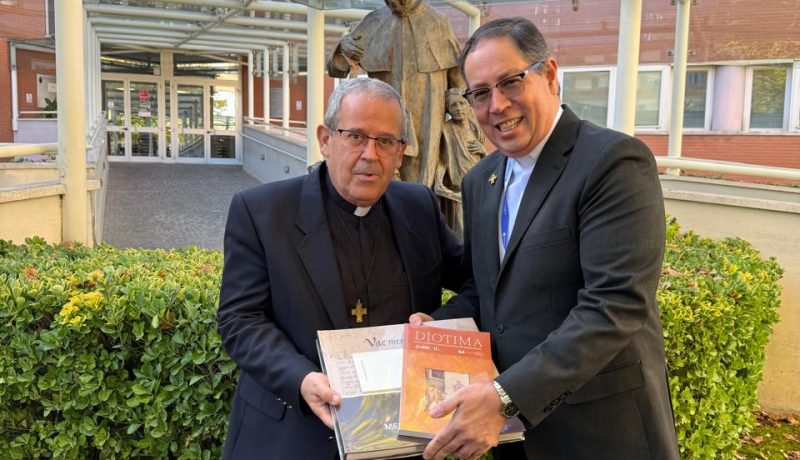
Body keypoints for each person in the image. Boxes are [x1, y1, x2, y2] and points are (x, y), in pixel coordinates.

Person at [410, 17, 680, 460]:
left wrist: (505, 396)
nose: (497, 105)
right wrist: (437, 327)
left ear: (550, 75)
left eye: (510, 82)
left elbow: (614, 305)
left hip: (602, 434)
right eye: (480, 93)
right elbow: (487, 291)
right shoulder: (480, 180)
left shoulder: (612, 162)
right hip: (514, 437)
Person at [217, 78, 465, 459]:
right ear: (325, 139)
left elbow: (477, 282)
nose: (370, 154)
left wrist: (438, 329)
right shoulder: (262, 212)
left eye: (386, 141)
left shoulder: (419, 207)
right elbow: (240, 318)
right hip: (290, 436)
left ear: (400, 152)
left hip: (399, 440)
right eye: (356, 137)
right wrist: (300, 378)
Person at [326, 0, 464, 189]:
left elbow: (457, 79)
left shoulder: (438, 21)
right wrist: (343, 47)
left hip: (427, 113)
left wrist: (459, 104)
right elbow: (337, 69)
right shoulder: (374, 20)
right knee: (384, 167)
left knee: (421, 176)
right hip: (382, 114)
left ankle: (421, 201)